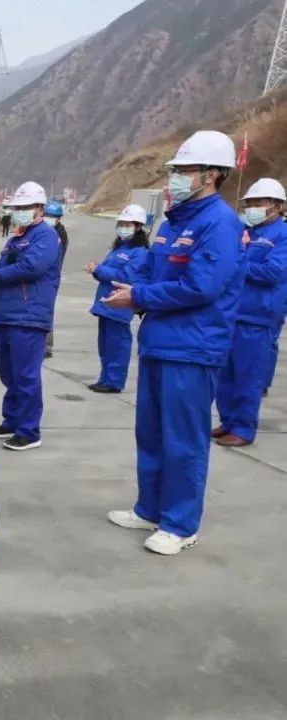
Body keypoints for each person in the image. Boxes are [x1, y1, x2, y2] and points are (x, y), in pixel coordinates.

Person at [103, 130, 244, 556]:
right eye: (175, 171)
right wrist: (131, 288)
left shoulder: (219, 224)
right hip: (159, 341)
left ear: (212, 175)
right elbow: (153, 272)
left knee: (183, 439)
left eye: (185, 171)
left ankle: (181, 524)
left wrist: (140, 297)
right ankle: (150, 508)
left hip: (194, 346)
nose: (175, 179)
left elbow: (201, 287)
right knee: (150, 432)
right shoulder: (172, 222)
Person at [0, 181, 60, 451]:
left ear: (39, 209)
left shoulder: (45, 236)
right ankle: (11, 420)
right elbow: (6, 266)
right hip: (5, 314)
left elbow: (32, 266)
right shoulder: (16, 238)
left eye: (25, 207)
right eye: (17, 208)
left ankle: (29, 430)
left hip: (28, 315)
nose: (19, 212)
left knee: (26, 376)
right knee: (9, 374)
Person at [214, 178, 287, 447]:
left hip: (259, 317)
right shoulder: (248, 232)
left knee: (248, 375)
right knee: (226, 374)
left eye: (259, 203)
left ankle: (243, 428)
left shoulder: (282, 235)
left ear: (277, 206)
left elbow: (274, 272)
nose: (253, 207)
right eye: (250, 203)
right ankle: (228, 420)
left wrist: (237, 262)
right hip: (233, 313)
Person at [84, 204, 150, 393]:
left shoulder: (140, 253)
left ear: (138, 226)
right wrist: (96, 270)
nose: (123, 226)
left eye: (127, 223)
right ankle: (105, 378)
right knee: (105, 344)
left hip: (120, 304)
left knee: (117, 344)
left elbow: (126, 277)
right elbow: (108, 271)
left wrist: (100, 270)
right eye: (121, 223)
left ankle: (114, 381)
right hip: (106, 303)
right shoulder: (118, 248)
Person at [42, 201, 68, 358]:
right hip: (45, 277)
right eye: (48, 216)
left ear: (59, 219)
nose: (49, 219)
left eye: (53, 217)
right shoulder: (47, 231)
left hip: (50, 277)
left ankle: (46, 346)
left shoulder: (59, 235)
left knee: (46, 310)